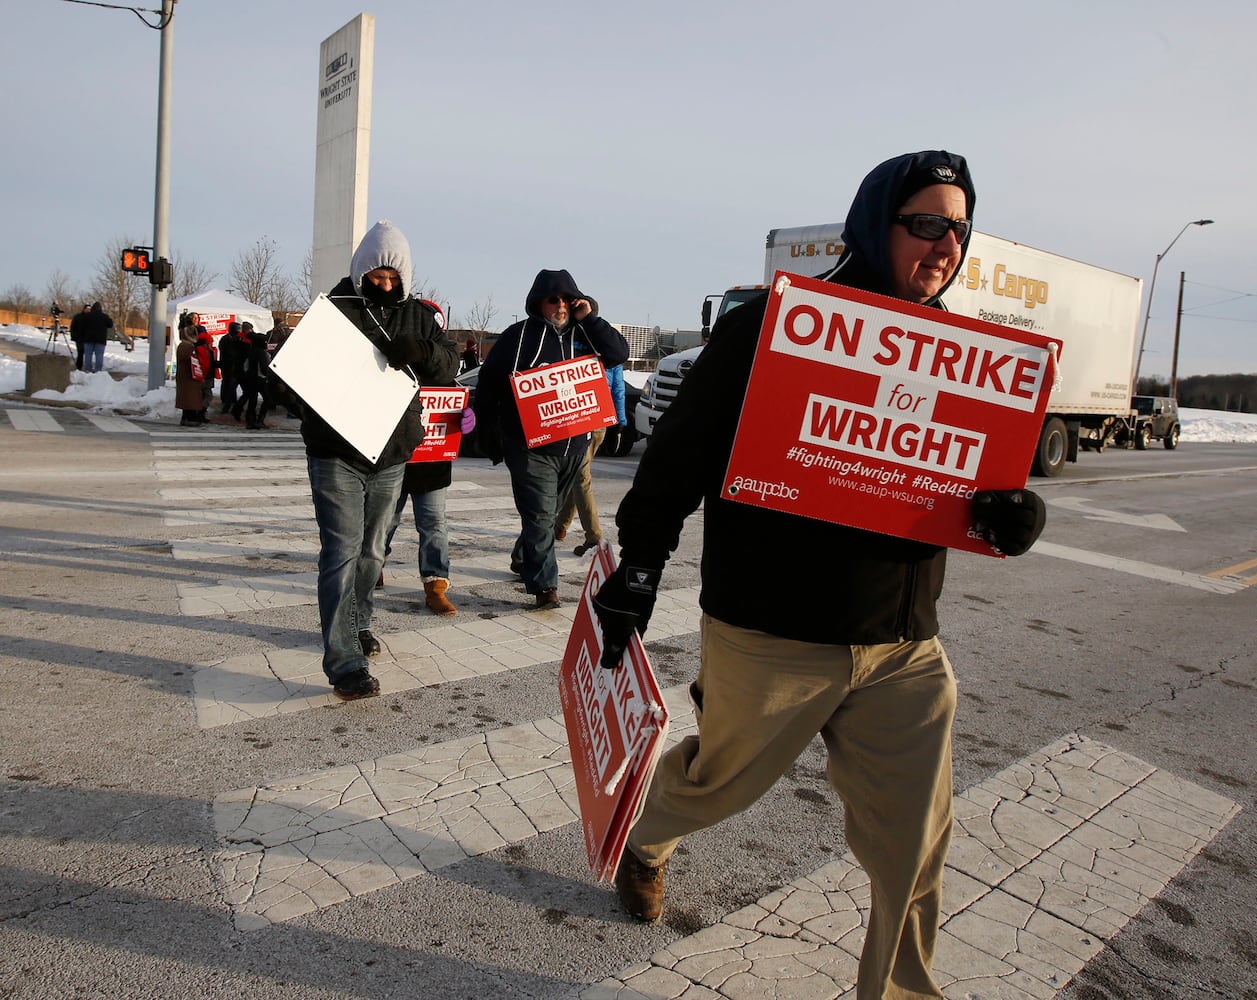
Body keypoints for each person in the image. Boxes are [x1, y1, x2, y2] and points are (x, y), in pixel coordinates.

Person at [593, 150, 1047, 1000]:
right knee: (714, 787)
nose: (945, 244)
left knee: (914, 848)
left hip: (902, 645)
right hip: (772, 633)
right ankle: (650, 840)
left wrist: (1011, 516)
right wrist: (641, 566)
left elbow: (979, 483)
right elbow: (676, 460)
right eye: (925, 223)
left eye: (958, 227)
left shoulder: (967, 358)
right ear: (876, 224)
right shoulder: (770, 325)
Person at [299, 219, 458, 700]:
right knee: (341, 552)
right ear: (361, 269)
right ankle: (344, 664)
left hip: (391, 451)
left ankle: (359, 621)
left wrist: (423, 349)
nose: (384, 284)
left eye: (393, 277)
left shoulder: (418, 316)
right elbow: (293, 370)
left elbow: (450, 365)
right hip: (336, 451)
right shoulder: (334, 309)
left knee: (372, 551)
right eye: (376, 275)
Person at [473, 269, 629, 609]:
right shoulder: (518, 336)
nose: (560, 305)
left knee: (546, 513)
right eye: (553, 299)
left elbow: (618, 354)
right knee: (541, 516)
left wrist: (591, 319)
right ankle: (545, 587)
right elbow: (488, 384)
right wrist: (489, 429)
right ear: (538, 302)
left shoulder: (585, 334)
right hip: (531, 448)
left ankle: (522, 557)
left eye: (567, 299)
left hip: (574, 445)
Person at [382, 403, 477, 615]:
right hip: (393, 458)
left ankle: (436, 586)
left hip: (433, 463)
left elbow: (458, 400)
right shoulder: (393, 371)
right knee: (385, 520)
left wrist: (465, 418)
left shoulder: (444, 375)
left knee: (434, 523)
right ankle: (374, 564)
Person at [555, 358, 627, 556]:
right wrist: (619, 423)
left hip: (578, 416)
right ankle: (561, 525)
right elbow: (618, 389)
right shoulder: (609, 347)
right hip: (600, 418)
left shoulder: (577, 345)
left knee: (580, 478)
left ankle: (594, 538)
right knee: (577, 474)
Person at [233, 322, 273, 429]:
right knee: (267, 398)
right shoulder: (262, 353)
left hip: (250, 377)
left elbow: (246, 365)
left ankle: (250, 420)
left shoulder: (251, 350)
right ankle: (260, 419)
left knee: (252, 399)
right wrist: (267, 375)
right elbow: (263, 368)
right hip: (259, 379)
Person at [174, 320, 204, 426]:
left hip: (186, 377)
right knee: (189, 399)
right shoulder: (186, 346)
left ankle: (187, 417)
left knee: (188, 399)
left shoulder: (185, 345)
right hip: (188, 377)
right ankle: (190, 418)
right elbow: (191, 358)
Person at [218, 321, 245, 416]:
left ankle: (230, 400)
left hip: (233, 365)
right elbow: (230, 353)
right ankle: (226, 401)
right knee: (228, 383)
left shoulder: (233, 339)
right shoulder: (226, 339)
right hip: (228, 365)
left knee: (230, 383)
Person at [82, 302, 113, 374]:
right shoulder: (104, 316)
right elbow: (110, 325)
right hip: (100, 339)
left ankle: (87, 370)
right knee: (99, 355)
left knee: (88, 355)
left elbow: (82, 325)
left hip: (88, 338)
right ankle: (98, 371)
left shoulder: (87, 316)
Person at [69, 304, 89, 371]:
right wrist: (74, 336)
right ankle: (79, 367)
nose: (88, 310)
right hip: (79, 338)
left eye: (89, 309)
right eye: (87, 309)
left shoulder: (91, 317)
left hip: (87, 338)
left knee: (87, 353)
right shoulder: (78, 317)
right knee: (80, 352)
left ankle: (86, 367)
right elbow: (73, 327)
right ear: (84, 309)